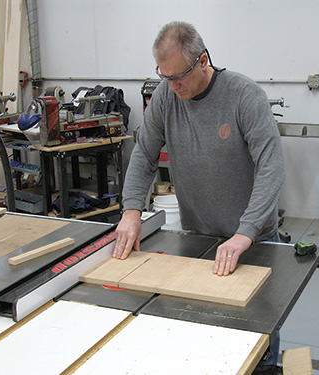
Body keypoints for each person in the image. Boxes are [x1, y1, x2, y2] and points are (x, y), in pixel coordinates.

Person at [113, 22, 285, 371]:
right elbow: (145, 153)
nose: (172, 86)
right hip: (199, 239)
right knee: (207, 333)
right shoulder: (166, 96)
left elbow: (271, 166)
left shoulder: (243, 96)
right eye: (164, 77)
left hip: (253, 241)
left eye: (178, 77)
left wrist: (246, 231)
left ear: (203, 60)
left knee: (260, 334)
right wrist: (131, 209)